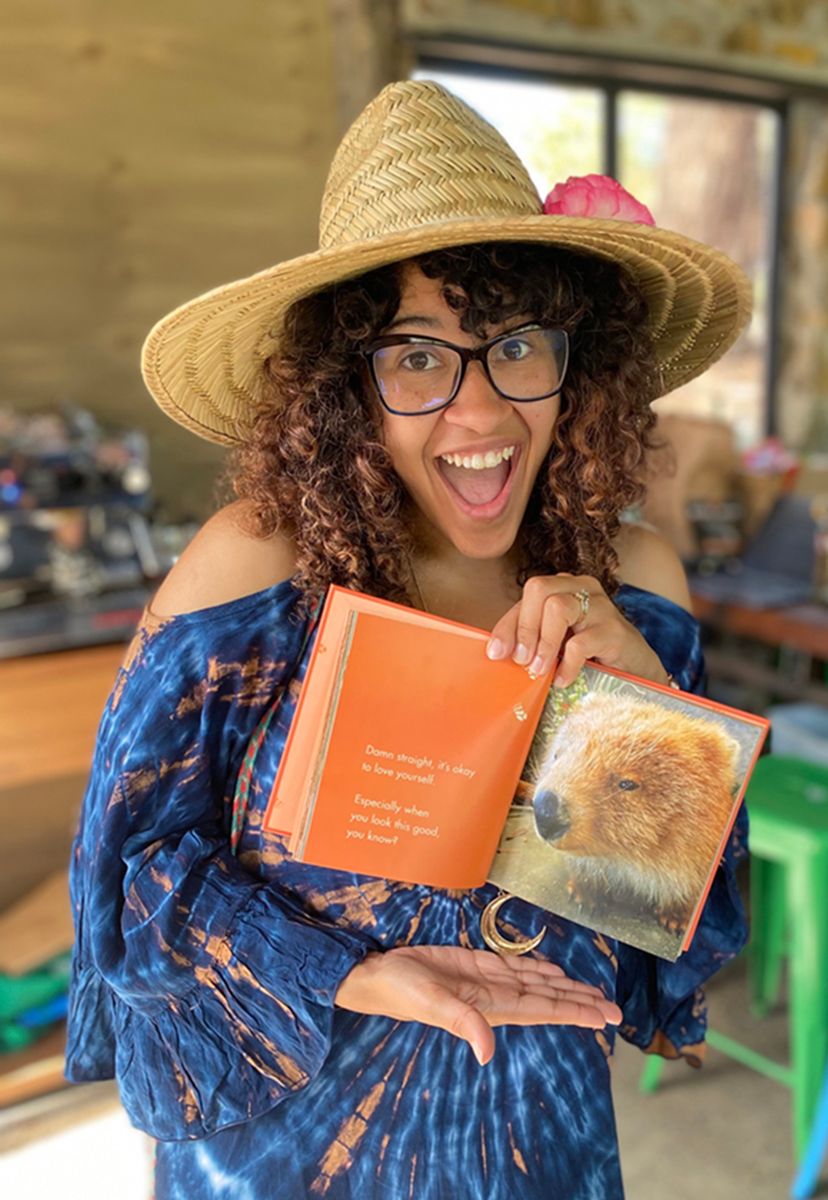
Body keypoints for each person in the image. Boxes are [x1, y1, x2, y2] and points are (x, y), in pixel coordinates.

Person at [65, 79, 752, 1199]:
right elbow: (126, 882)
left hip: (540, 1143)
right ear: (349, 391)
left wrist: (633, 702)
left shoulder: (640, 585)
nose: (478, 416)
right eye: (418, 357)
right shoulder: (257, 568)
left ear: (579, 371)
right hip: (287, 1155)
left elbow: (669, 918)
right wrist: (352, 971)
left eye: (515, 346)